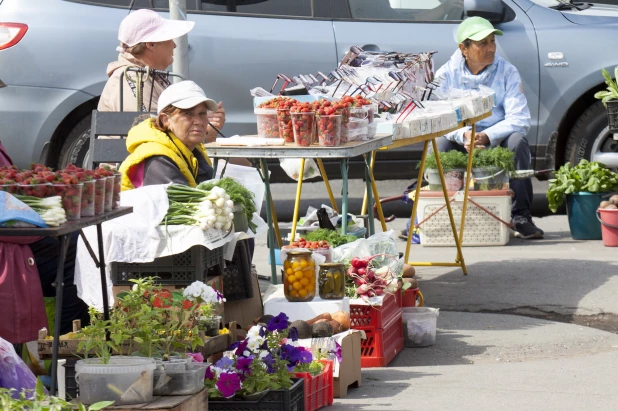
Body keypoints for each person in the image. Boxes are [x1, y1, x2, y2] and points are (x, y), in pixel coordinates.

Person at [432, 16, 544, 239]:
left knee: (517, 141)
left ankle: (521, 216)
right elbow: (439, 119)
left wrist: (487, 136)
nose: (490, 48)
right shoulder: (445, 74)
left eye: (492, 41)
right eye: (482, 43)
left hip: (496, 136)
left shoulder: (507, 71)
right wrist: (463, 134)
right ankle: (436, 216)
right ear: (463, 48)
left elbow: (519, 118)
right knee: (438, 143)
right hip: (460, 137)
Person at [98, 9, 226, 143]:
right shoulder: (132, 79)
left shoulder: (147, 76)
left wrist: (205, 123)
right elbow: (154, 136)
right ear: (151, 44)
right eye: (169, 39)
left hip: (160, 159)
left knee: (241, 162)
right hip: (145, 162)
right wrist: (206, 132)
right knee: (239, 163)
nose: (174, 45)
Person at [119, 80, 217, 189]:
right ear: (165, 120)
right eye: (188, 113)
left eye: (202, 113)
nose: (198, 121)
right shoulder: (157, 158)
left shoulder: (194, 150)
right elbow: (181, 203)